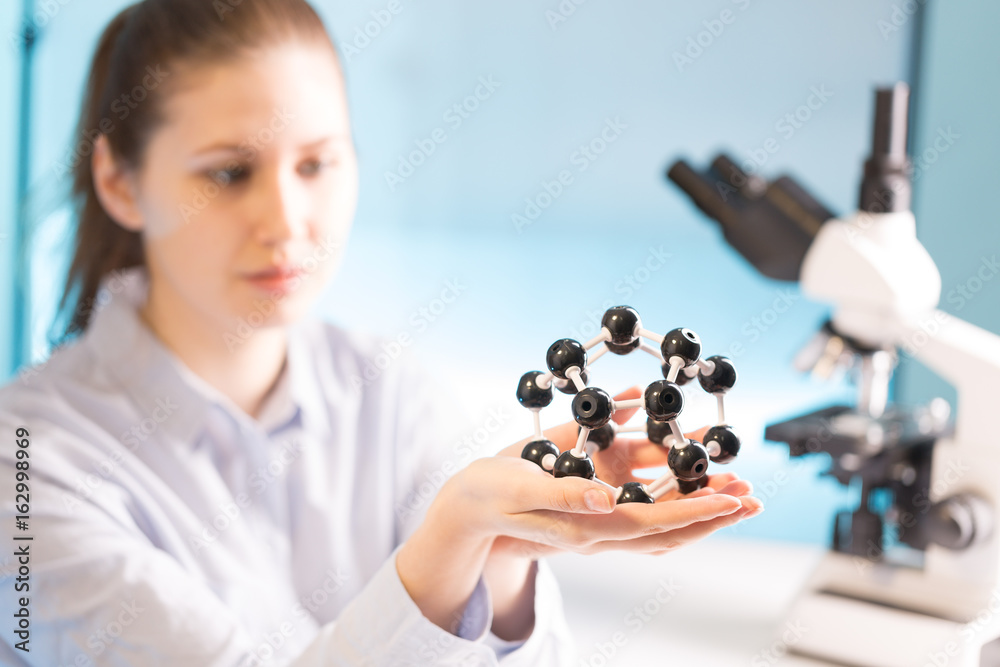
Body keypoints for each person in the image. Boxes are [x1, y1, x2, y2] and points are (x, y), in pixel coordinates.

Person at [0, 0, 762, 664]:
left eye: (317, 163)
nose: (288, 223)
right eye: (230, 173)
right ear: (117, 182)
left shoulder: (389, 390)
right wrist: (444, 552)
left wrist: (499, 561)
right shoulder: (27, 471)